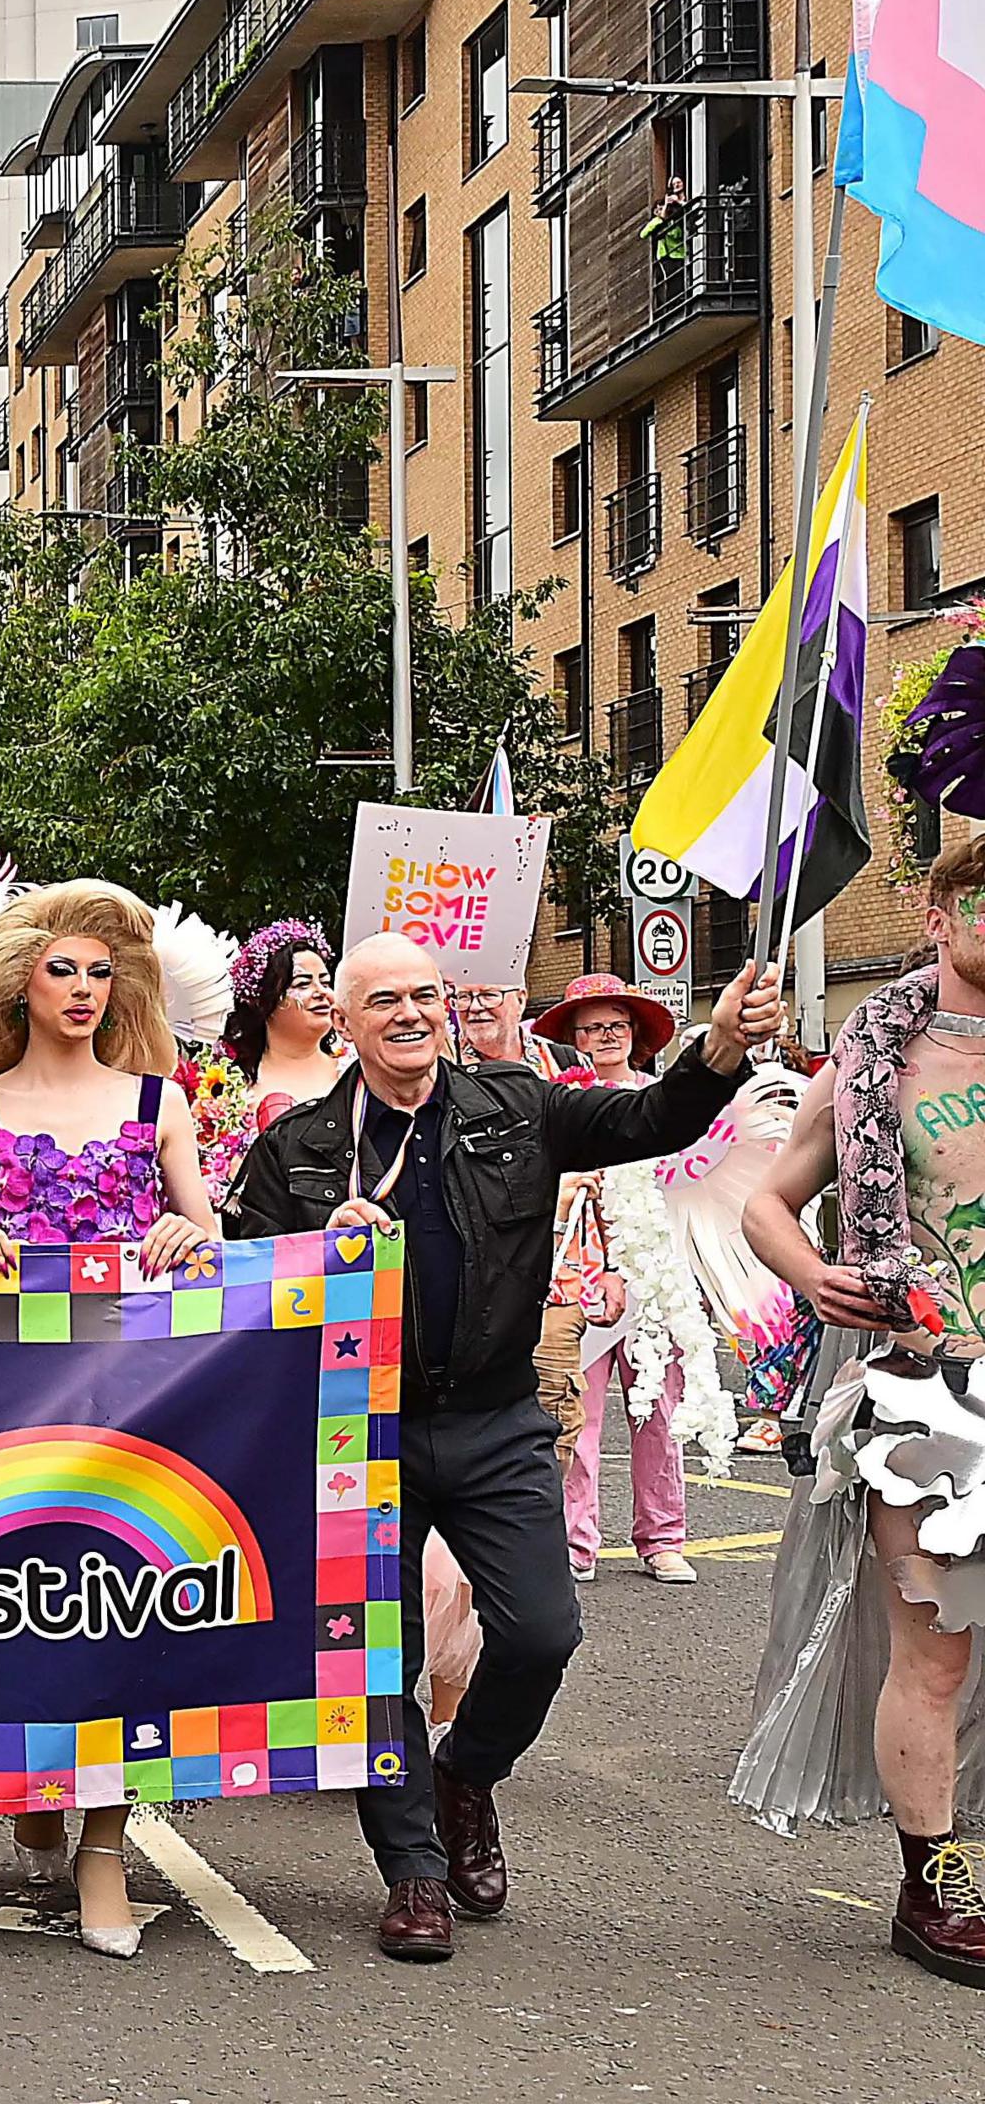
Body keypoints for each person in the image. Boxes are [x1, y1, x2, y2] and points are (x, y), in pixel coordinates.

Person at [226, 933, 779, 1962]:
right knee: (378, 1662)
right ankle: (415, 1877)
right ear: (342, 1022)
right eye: (382, 998)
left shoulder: (517, 1106)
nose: (410, 1014)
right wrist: (314, 1254)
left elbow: (652, 1117)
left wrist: (718, 1047)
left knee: (540, 1635)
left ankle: (465, 1774)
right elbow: (240, 1290)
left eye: (425, 995)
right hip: (359, 1431)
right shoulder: (299, 1145)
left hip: (493, 1419)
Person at [0, 881, 221, 1957]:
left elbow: (215, 1241)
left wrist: (193, 1240)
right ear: (20, 983)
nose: (85, 989)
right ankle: (30, 1772)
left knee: (118, 1610)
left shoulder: (159, 1103)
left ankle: (105, 1849)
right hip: (3, 1406)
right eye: (64, 969)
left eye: (102, 972)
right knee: (17, 1601)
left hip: (138, 1399)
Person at [732, 839, 985, 1987]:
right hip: (939, 1392)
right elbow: (772, 1205)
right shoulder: (879, 1058)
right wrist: (814, 1275)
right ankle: (935, 1883)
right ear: (935, 915)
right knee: (938, 1654)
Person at [531, 974, 716, 1586]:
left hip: (652, 1278)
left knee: (656, 1414)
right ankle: (573, 1540)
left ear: (634, 1035)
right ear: (573, 1037)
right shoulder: (556, 1107)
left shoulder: (665, 1105)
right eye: (591, 1027)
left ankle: (662, 1537)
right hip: (576, 1281)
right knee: (573, 1414)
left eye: (615, 1025)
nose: (604, 1037)